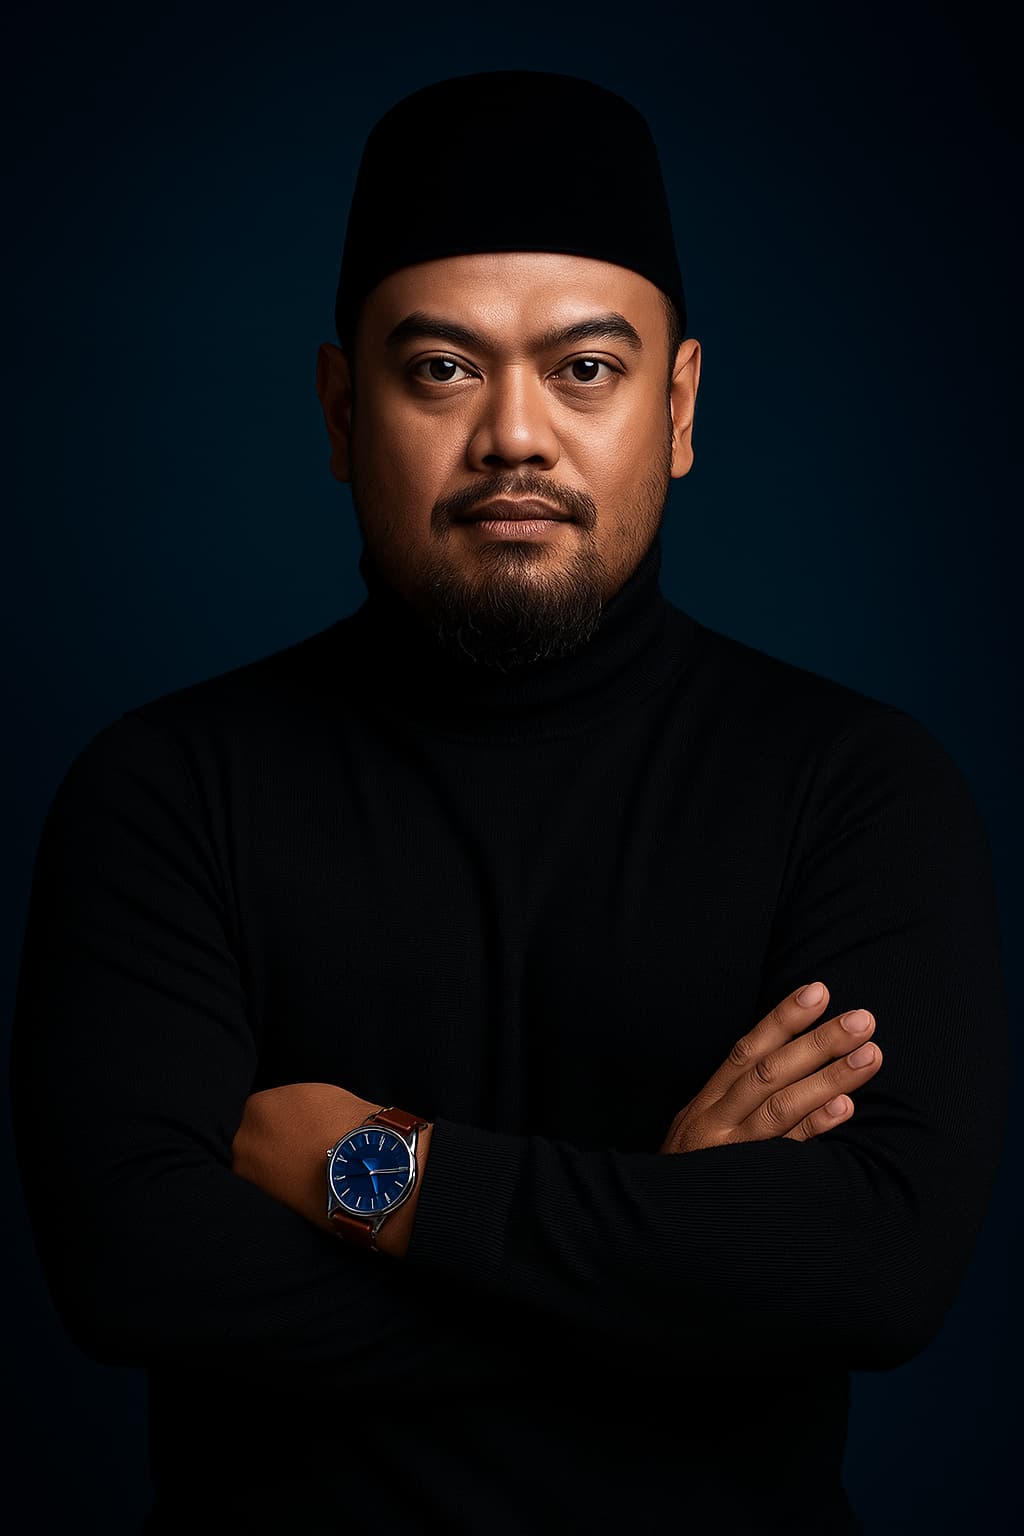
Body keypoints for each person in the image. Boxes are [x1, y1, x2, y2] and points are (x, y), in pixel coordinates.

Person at [10, 69, 1008, 1536]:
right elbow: (137, 1269)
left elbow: (879, 1270)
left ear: (678, 407)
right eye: (442, 369)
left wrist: (383, 1180)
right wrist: (670, 1245)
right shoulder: (167, 791)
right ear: (343, 411)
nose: (517, 437)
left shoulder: (855, 785)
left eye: (586, 368)